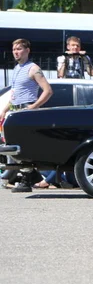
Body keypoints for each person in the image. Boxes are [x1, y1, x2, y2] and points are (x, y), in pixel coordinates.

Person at [0, 39, 53, 193]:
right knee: (12, 147)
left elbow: (48, 91)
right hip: (14, 111)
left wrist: (33, 107)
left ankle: (26, 179)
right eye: (14, 49)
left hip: (26, 111)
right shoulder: (16, 68)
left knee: (21, 147)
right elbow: (14, 94)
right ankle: (34, 176)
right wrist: (4, 109)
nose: (16, 52)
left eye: (19, 49)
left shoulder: (33, 68)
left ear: (27, 50)